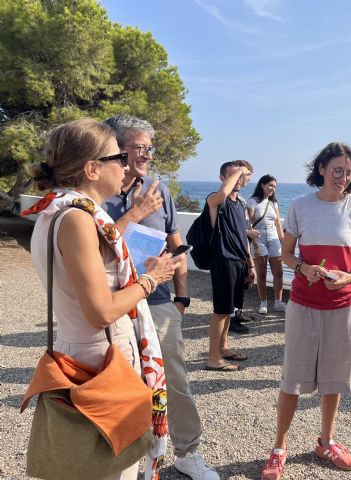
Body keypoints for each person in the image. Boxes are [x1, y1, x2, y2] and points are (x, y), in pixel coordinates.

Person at [24, 119, 177, 480]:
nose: (126, 166)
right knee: (113, 467)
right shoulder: (78, 219)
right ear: (92, 168)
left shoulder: (56, 212)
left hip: (80, 350)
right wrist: (151, 279)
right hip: (104, 358)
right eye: (119, 158)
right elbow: (100, 312)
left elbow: (98, 257)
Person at [100, 115, 219, 480]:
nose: (148, 155)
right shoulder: (96, 193)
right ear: (116, 149)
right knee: (117, 384)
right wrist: (136, 213)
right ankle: (122, 456)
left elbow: (176, 247)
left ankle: (187, 452)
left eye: (150, 148)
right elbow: (92, 250)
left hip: (158, 302)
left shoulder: (158, 189)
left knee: (175, 380)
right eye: (140, 147)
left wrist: (182, 297)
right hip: (112, 307)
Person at [260, 142, 351, 480]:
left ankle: (326, 441)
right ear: (321, 168)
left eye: (349, 173)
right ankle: (279, 447)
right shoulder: (300, 206)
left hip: (344, 304)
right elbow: (287, 253)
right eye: (337, 170)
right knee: (292, 378)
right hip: (305, 304)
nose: (343, 178)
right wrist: (304, 268)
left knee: (335, 379)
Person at [205, 161, 256, 371]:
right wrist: (238, 172)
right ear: (222, 178)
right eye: (232, 175)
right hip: (223, 260)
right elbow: (222, 193)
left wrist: (250, 264)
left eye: (241, 175)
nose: (238, 178)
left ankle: (223, 347)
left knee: (231, 310)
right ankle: (213, 358)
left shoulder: (240, 204)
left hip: (239, 261)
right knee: (221, 310)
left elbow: (242, 236)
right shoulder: (216, 200)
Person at [247, 174, 287, 315]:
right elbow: (249, 224)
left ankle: (278, 302)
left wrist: (284, 244)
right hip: (259, 237)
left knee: (279, 272)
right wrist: (256, 246)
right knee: (262, 273)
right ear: (262, 185)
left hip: (273, 237)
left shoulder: (273, 203)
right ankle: (263, 303)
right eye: (270, 185)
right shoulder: (252, 202)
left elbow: (277, 224)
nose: (272, 189)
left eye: (275, 186)